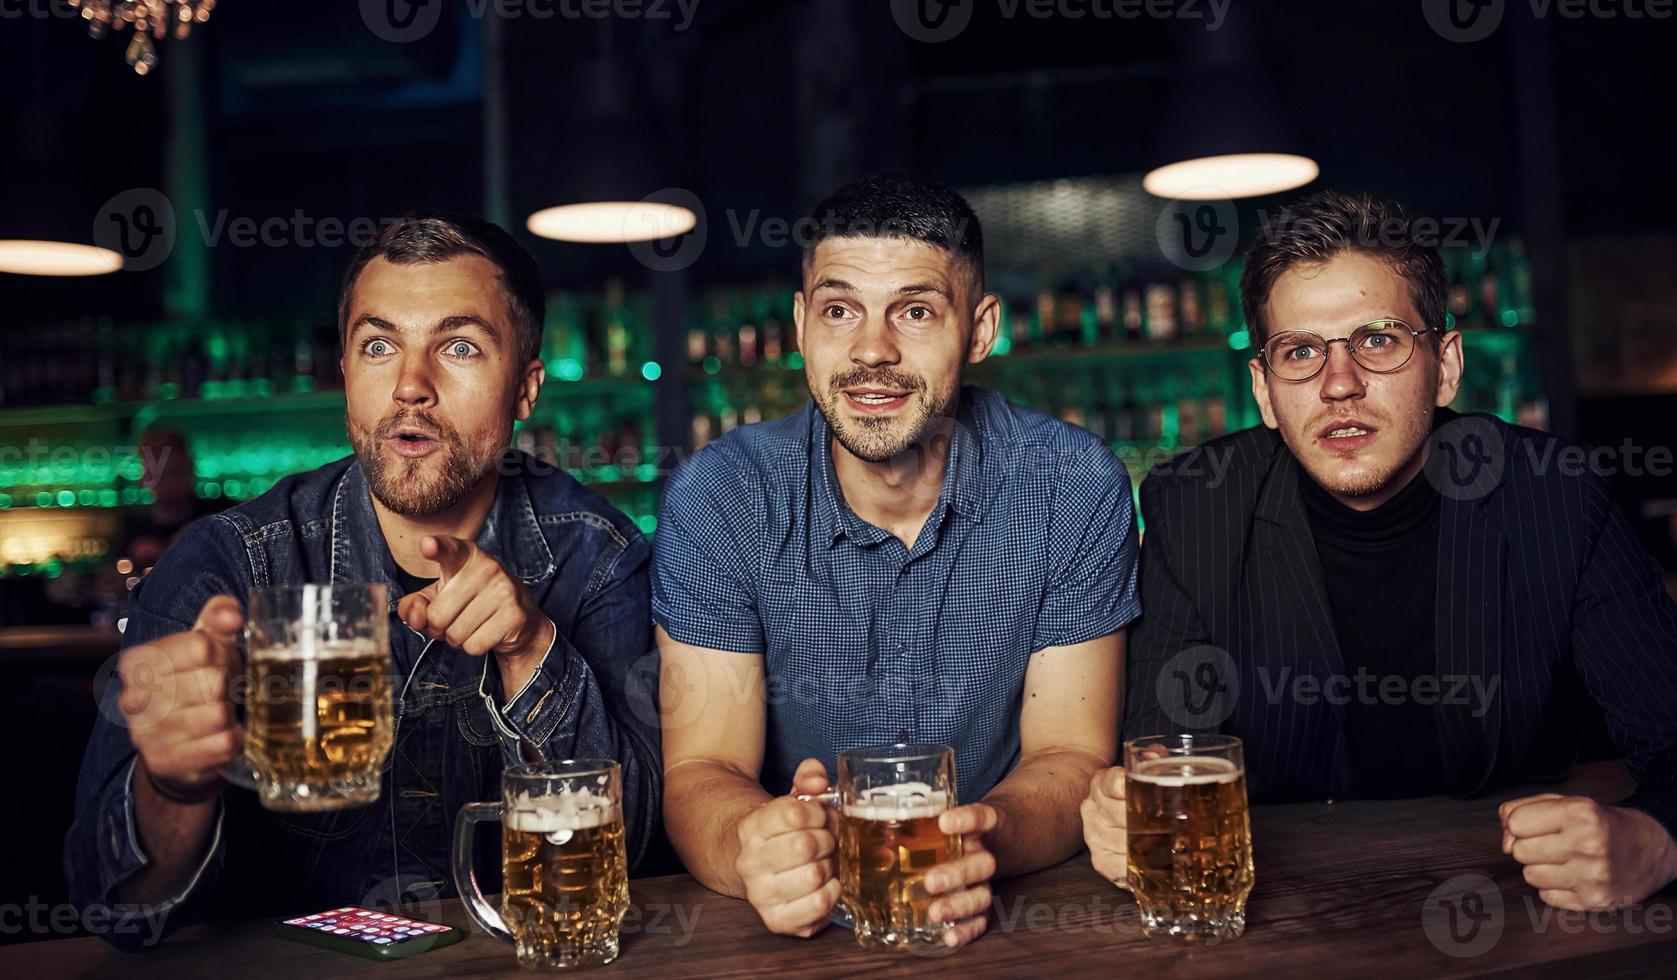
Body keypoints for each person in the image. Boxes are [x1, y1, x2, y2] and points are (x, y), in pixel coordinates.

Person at [65, 215, 661, 950]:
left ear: (526, 388)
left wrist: (531, 646)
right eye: (379, 345)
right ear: (346, 372)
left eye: (460, 347)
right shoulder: (227, 564)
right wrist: (174, 789)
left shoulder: (597, 555)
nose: (411, 385)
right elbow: (112, 908)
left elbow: (629, 856)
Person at [1081, 190, 1677, 912]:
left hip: (1513, 901)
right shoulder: (1193, 504)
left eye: (1378, 339)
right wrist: (1125, 821)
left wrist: (1655, 838)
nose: (1339, 384)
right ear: (1264, 391)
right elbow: (1164, 757)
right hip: (1282, 924)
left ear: (1446, 363)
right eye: (1299, 351)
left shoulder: (1555, 494)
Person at [653, 174, 1140, 949]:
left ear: (978, 330)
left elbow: (1070, 753)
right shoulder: (720, 495)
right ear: (799, 322)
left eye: (914, 312)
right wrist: (752, 846)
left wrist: (981, 843)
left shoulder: (1071, 485)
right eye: (839, 310)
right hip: (796, 939)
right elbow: (702, 767)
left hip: (1016, 930)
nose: (870, 350)